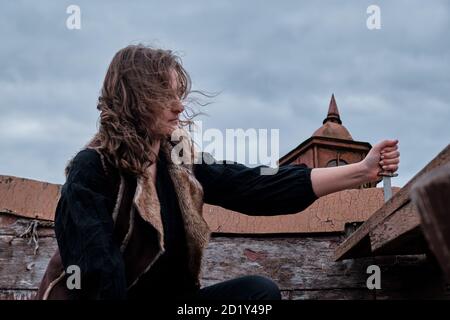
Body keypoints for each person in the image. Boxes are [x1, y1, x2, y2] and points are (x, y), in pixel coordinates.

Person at [36, 44, 400, 300]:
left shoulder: (179, 165)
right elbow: (98, 279)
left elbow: (256, 186)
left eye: (179, 94)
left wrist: (361, 170)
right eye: (165, 95)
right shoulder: (92, 170)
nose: (179, 107)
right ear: (135, 99)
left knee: (257, 296)